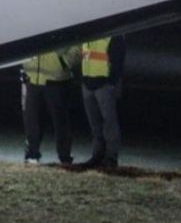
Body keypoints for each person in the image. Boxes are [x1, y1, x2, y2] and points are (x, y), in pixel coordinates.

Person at [21, 45, 80, 165]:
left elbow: (77, 43)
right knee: (32, 120)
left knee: (61, 121)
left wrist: (64, 62)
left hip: (57, 80)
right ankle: (32, 154)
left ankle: (65, 156)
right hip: (33, 78)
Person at [78, 35, 126, 169]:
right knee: (95, 125)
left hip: (103, 85)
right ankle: (97, 156)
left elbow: (118, 62)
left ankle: (111, 158)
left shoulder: (114, 36)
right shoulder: (88, 34)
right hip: (88, 83)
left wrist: (111, 83)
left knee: (109, 123)